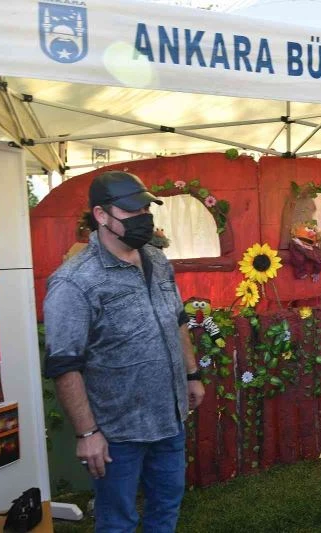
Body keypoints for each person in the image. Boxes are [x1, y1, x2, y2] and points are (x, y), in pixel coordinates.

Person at [43, 171, 205, 532]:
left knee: (167, 507)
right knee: (118, 521)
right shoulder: (74, 281)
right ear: (101, 215)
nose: (143, 217)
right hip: (118, 431)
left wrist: (192, 374)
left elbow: (177, 318)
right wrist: (88, 434)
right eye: (133, 210)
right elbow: (64, 364)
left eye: (146, 209)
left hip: (169, 417)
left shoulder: (157, 260)